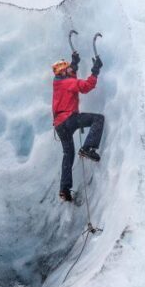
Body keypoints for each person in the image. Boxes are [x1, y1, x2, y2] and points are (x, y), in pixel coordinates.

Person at [52, 51, 104, 203]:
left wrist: (74, 63)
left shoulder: (58, 82)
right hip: (69, 119)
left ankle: (64, 189)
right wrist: (95, 71)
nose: (69, 69)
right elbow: (86, 86)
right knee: (98, 119)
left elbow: (71, 78)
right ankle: (87, 148)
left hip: (60, 126)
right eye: (67, 68)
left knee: (68, 155)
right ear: (63, 71)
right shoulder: (67, 82)